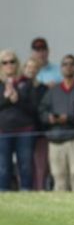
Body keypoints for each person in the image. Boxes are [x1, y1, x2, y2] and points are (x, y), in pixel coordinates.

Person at [39, 55, 74, 191]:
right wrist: (49, 118)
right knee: (58, 176)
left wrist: (69, 118)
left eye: (71, 64)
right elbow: (42, 111)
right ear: (61, 69)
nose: (68, 67)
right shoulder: (53, 92)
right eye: (65, 64)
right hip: (55, 139)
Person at [0, 50, 37, 191]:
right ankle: (2, 194)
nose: (9, 65)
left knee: (26, 165)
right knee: (3, 166)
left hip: (25, 131)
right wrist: (6, 99)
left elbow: (33, 109)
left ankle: (26, 192)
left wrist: (18, 99)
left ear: (17, 63)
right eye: (5, 62)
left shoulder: (26, 83)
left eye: (12, 61)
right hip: (3, 131)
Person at [23, 58, 50, 190]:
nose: (31, 70)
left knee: (40, 165)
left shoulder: (43, 88)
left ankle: (40, 189)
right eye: (28, 67)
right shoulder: (20, 87)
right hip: (23, 130)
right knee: (25, 163)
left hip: (39, 131)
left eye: (34, 67)